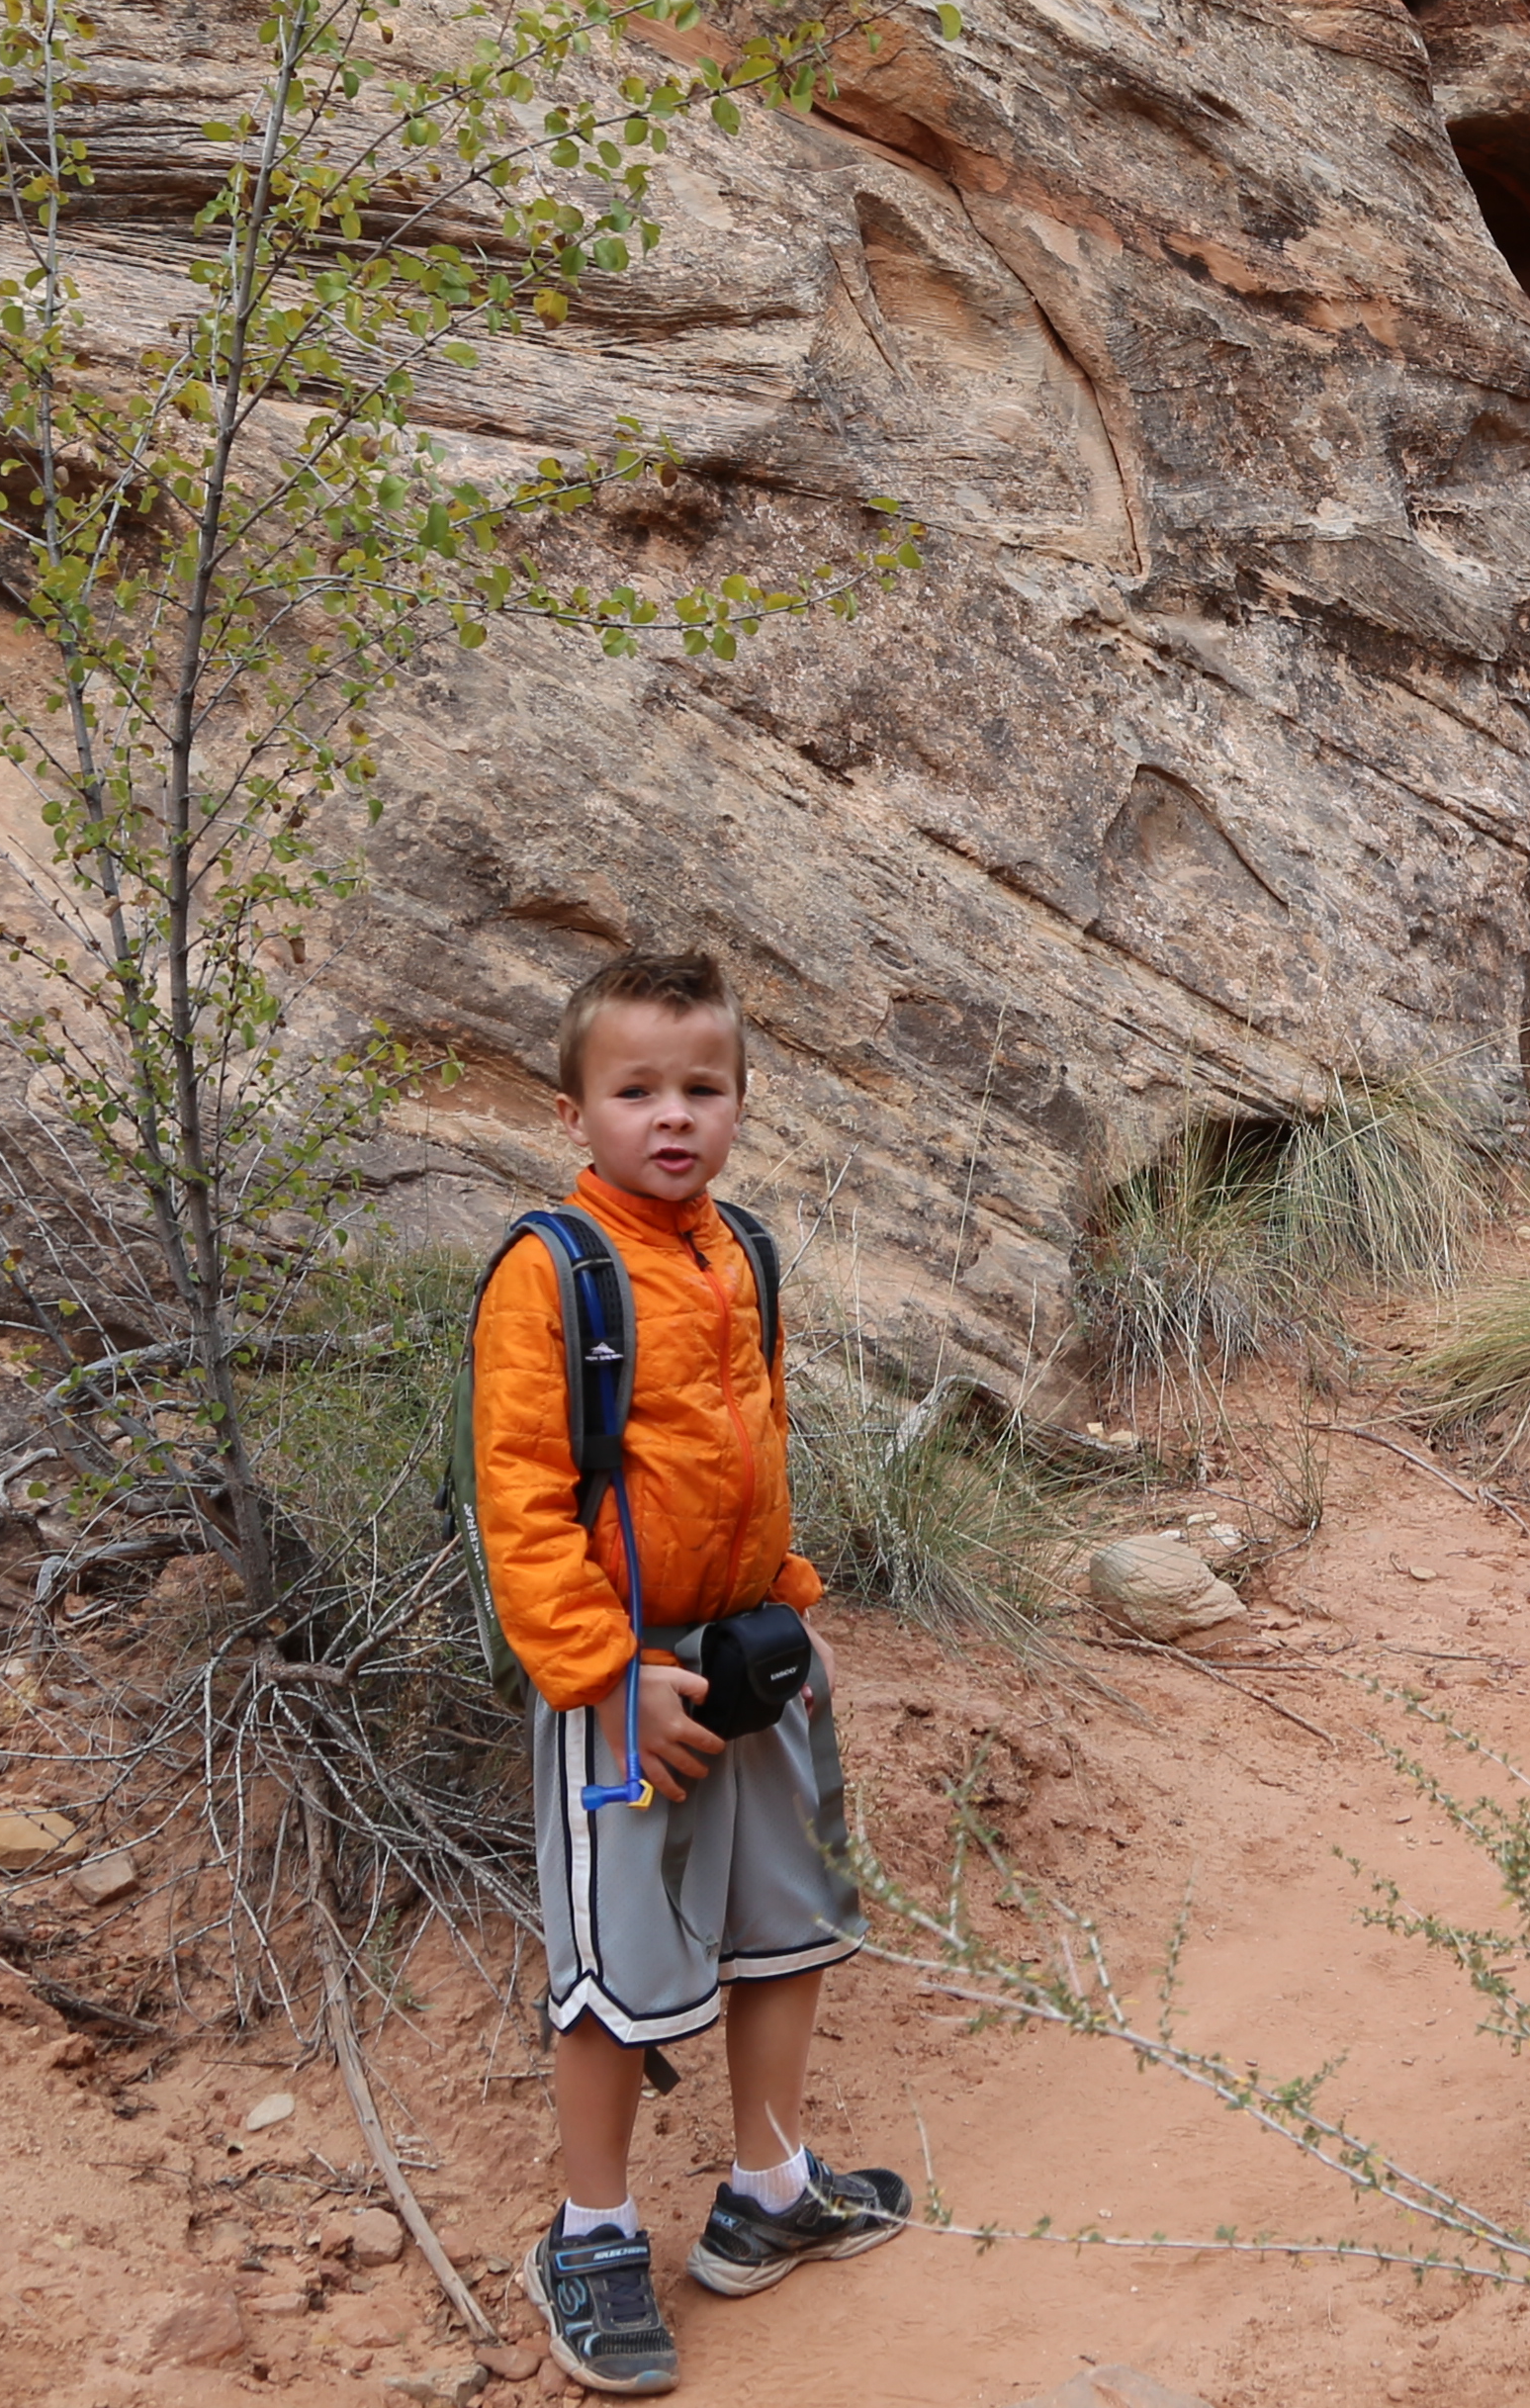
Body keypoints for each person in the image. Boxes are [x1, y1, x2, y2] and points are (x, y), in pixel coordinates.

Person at [472, 946, 906, 2394]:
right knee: (622, 1967)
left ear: (738, 1104)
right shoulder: (552, 1271)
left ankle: (768, 2191)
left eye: (703, 1088)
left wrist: (790, 1599)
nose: (674, 1117)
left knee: (787, 1926)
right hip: (629, 1683)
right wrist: (605, 1677)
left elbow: (752, 1446)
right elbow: (524, 1502)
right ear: (574, 1108)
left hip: (750, 1660)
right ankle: (589, 2232)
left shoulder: (742, 1254)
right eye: (637, 1090)